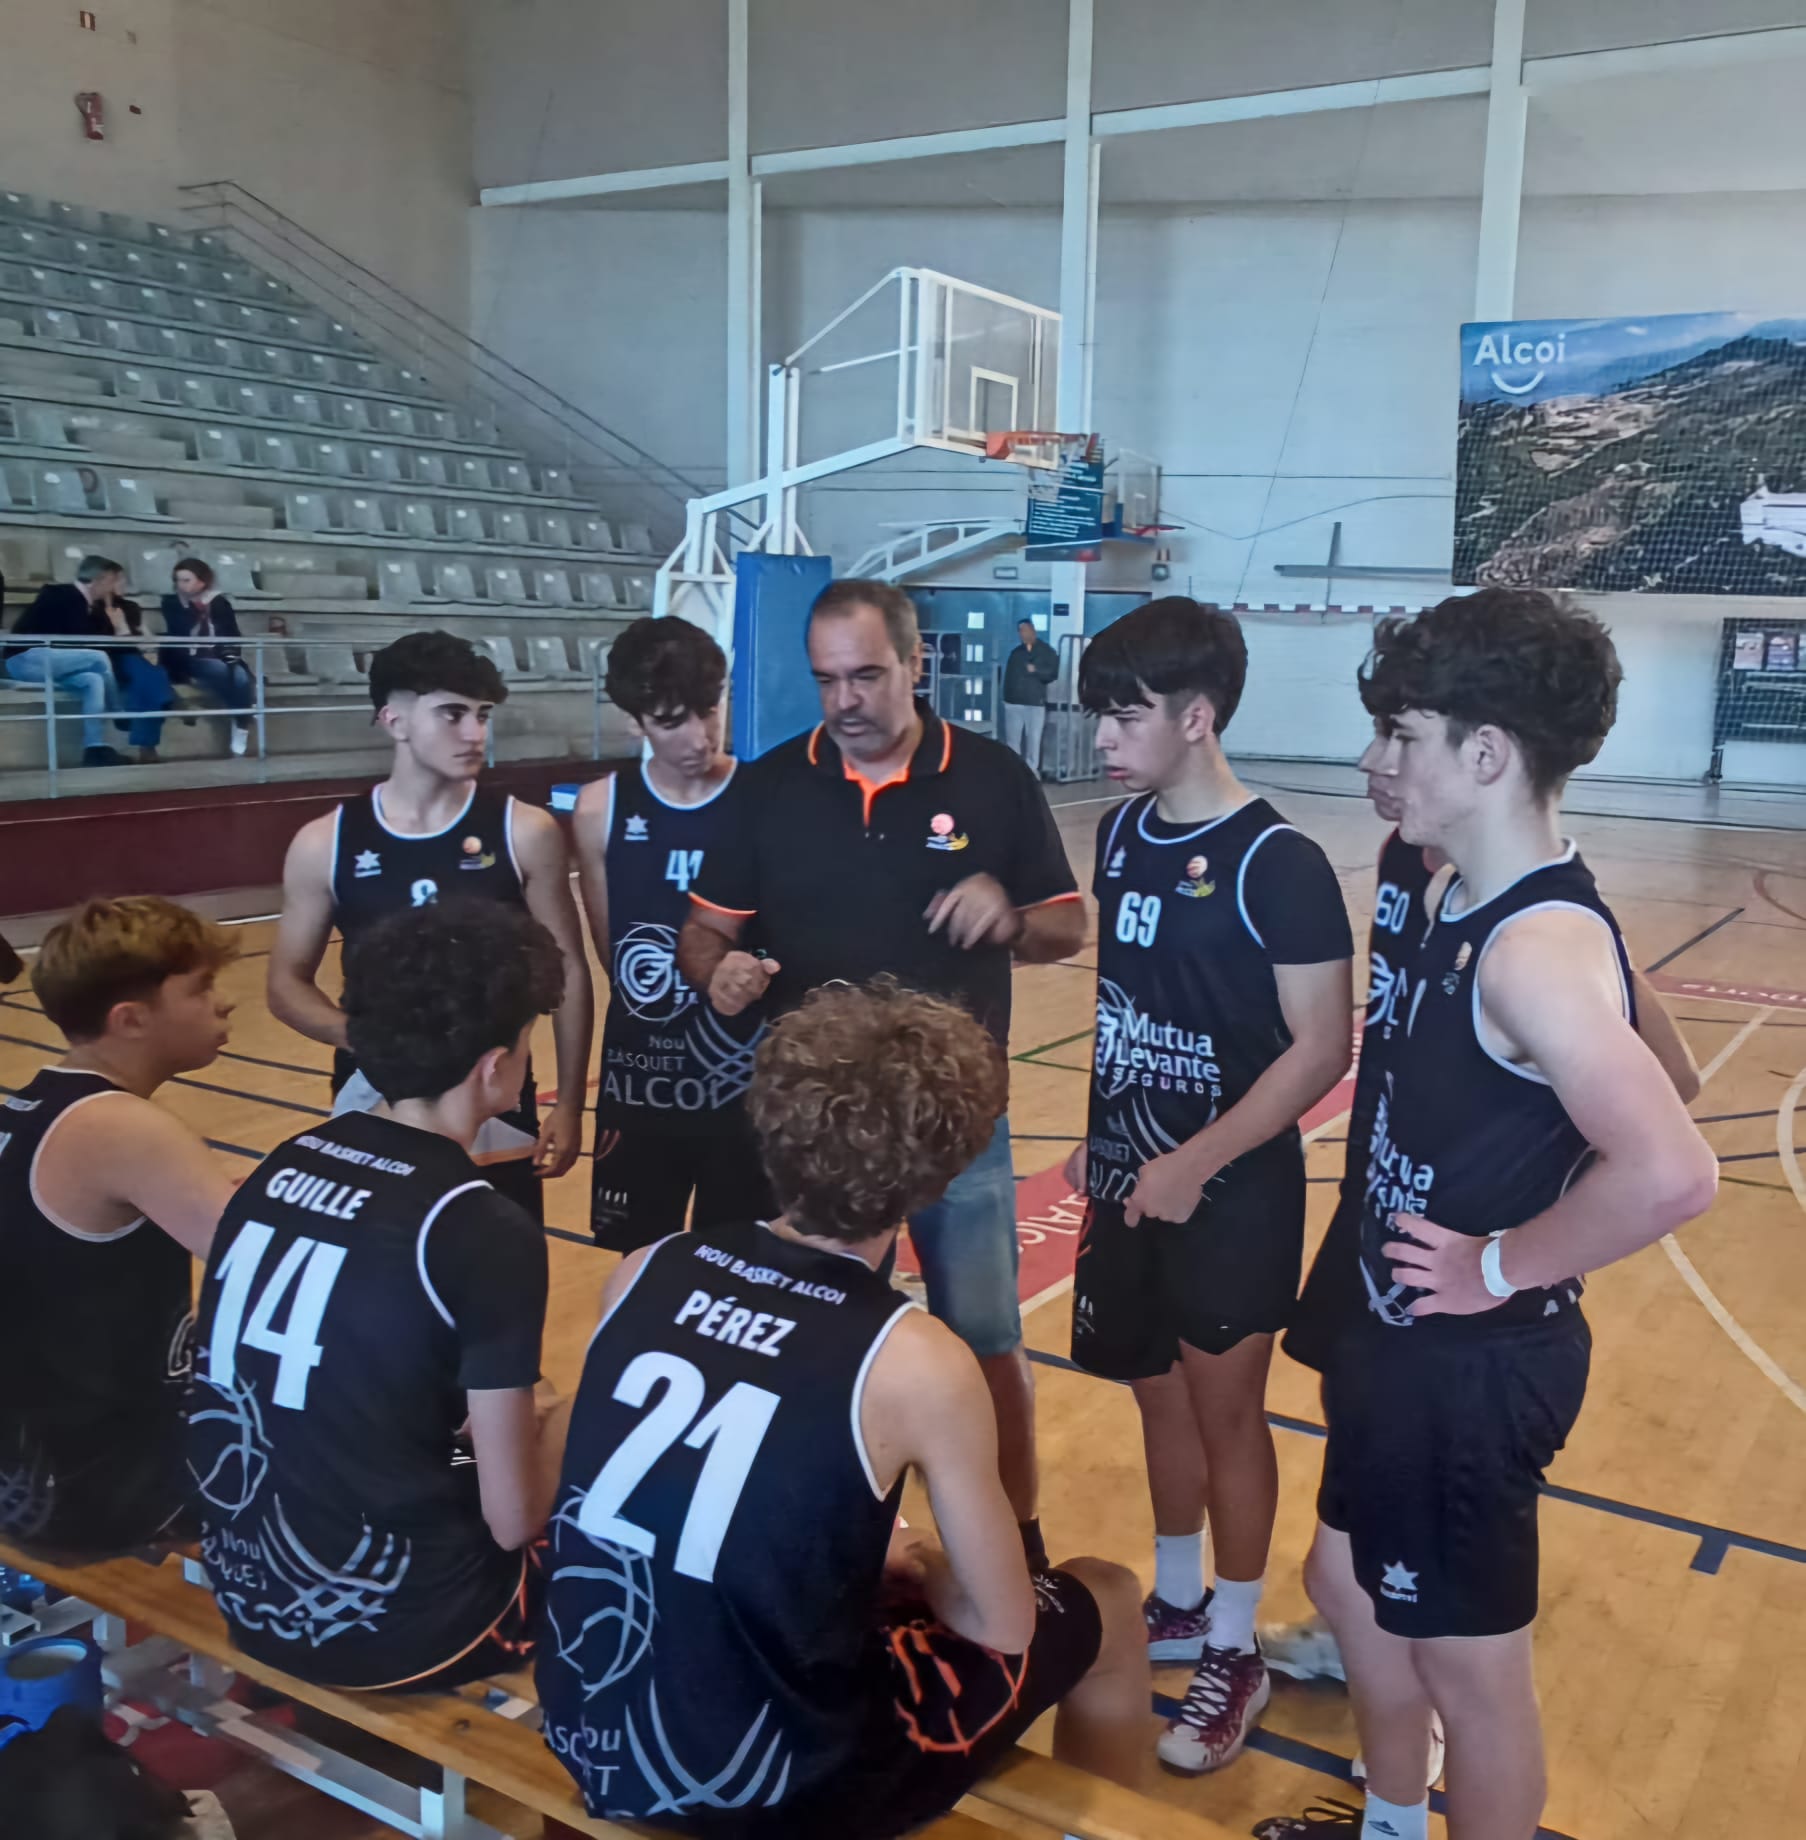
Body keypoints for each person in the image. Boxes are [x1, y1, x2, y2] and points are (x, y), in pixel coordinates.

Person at [1287, 589, 1717, 1840]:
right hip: (1397, 1336)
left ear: (1486, 754)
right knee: (1346, 1588)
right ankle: (1387, 1821)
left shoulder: (1529, 947)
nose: (1375, 761)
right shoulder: (1460, 896)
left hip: (1468, 1366)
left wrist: (1500, 1260)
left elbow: (1674, 1163)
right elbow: (1672, 1065)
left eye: (1402, 736)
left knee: (1474, 1676)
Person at [538, 979, 1149, 1837]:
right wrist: (925, 1560)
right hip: (776, 1788)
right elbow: (1002, 1624)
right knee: (1110, 1598)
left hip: (584, 1724)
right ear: (936, 1177)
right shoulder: (916, 1361)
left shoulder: (650, 1265)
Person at [677, 578, 1086, 1571]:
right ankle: (839, 1546)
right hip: (817, 1124)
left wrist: (1014, 919)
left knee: (985, 1337)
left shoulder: (991, 779)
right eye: (827, 681)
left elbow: (1068, 924)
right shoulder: (771, 787)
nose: (846, 700)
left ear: (916, 665)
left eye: (867, 676)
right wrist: (716, 969)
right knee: (815, 1335)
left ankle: (1015, 1547)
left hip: (960, 1125)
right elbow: (704, 929)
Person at [1063, 597, 1354, 1774]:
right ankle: (1177, 1597)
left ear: (1199, 715)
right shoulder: (1122, 833)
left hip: (1230, 1194)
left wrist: (1197, 1160)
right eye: (1101, 715)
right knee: (1152, 1391)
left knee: (1227, 1411)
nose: (1102, 738)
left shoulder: (1278, 862)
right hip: (1129, 1177)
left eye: (1124, 715)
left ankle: (1234, 1641)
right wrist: (1109, 1136)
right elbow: (1130, 1007)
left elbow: (1322, 1045)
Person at [190, 900, 572, 1692]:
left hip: (245, 1589)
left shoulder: (283, 1161)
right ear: (496, 1066)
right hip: (410, 1629)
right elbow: (515, 1521)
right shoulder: (479, 1225)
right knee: (596, 1447)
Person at [266, 631, 593, 1225]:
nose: (475, 733)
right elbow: (285, 984)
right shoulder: (324, 843)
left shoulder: (525, 832)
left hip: (495, 1095)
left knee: (497, 1275)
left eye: (483, 715)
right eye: (452, 714)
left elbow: (568, 971)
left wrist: (569, 1101)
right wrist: (378, 1046)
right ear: (394, 721)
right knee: (381, 1272)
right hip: (373, 1093)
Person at [0, 896, 238, 1555]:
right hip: (107, 1494)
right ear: (130, 1019)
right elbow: (266, 1268)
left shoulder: (35, 1103)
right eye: (201, 988)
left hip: (33, 1472)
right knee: (441, 1442)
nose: (225, 1004)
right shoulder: (122, 1127)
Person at [572, 615, 771, 1250]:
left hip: (749, 1095)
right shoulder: (601, 809)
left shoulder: (767, 798)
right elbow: (614, 957)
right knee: (634, 1271)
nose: (697, 735)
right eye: (670, 720)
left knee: (741, 1275)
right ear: (634, 720)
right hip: (642, 1090)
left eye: (709, 710)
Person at [2, 555, 129, 766]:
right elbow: (85, 644)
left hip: (53, 663)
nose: (113, 588)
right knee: (98, 658)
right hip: (26, 659)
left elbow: (86, 643)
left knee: (92, 680)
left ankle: (93, 749)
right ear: (101, 578)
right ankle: (118, 712)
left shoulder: (86, 604)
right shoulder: (61, 594)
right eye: (113, 581)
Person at [161, 558, 254, 758]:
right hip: (188, 658)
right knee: (226, 674)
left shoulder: (219, 602)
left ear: (202, 582)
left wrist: (231, 656)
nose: (181, 585)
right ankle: (243, 712)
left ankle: (241, 725)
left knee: (240, 676)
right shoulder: (171, 602)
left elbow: (232, 633)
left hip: (218, 654)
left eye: (187, 580)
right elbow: (178, 629)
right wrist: (196, 608)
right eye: (178, 580)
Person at [1001, 616, 1059, 774]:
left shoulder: (1046, 651)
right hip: (1013, 703)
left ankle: (1032, 772)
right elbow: (1008, 676)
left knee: (1033, 739)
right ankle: (1015, 772)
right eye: (1020, 631)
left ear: (1033, 630)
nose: (1022, 634)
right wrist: (1006, 699)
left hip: (1034, 703)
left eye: (1025, 630)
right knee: (1013, 741)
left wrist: (1037, 670)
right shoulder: (1016, 653)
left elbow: (1053, 673)